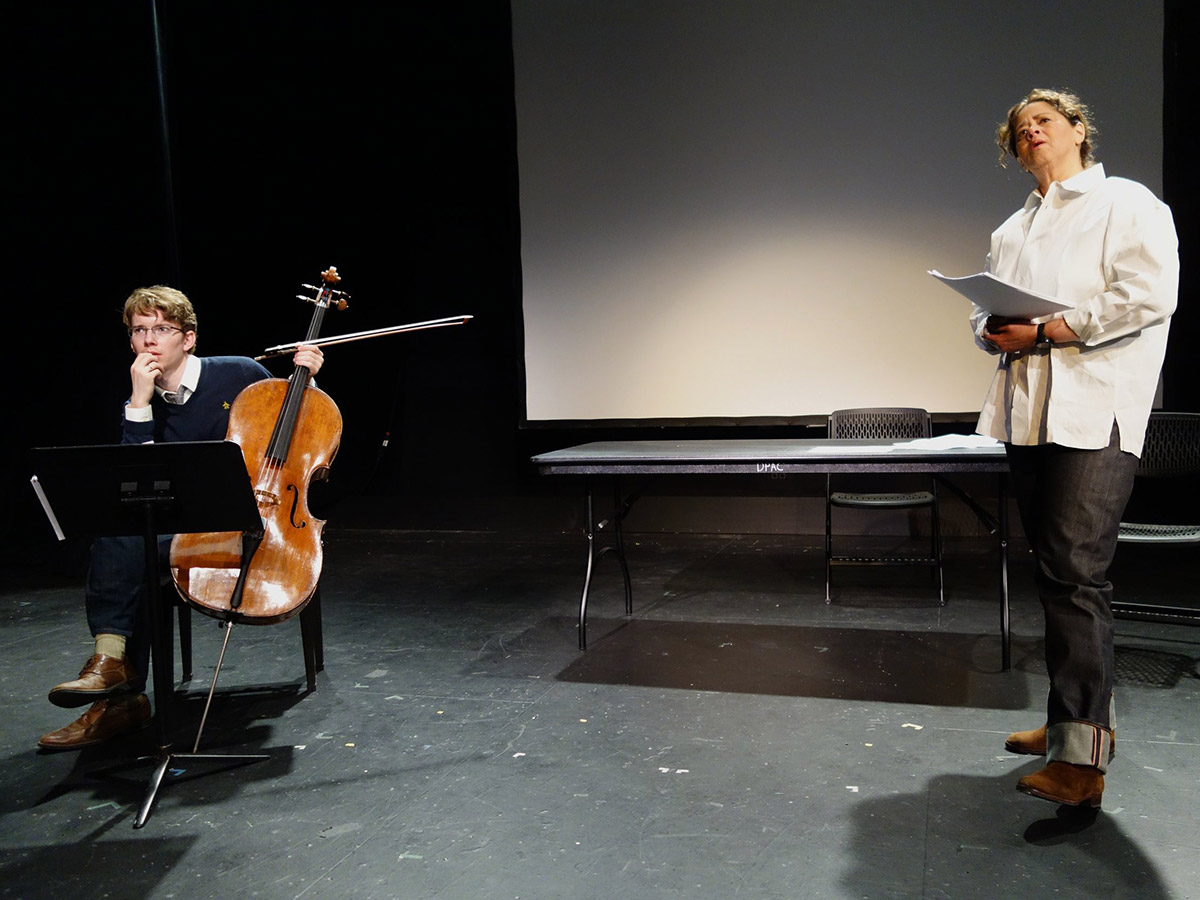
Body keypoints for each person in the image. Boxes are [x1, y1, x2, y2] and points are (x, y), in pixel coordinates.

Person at [971, 89, 1179, 806]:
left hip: (1095, 416)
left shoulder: (1126, 203)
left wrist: (1049, 330)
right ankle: (1074, 725)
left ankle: (1081, 766)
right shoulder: (1012, 227)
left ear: (1079, 131)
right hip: (1027, 419)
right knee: (1055, 575)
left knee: (1076, 579)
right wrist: (988, 327)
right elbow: (985, 310)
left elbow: (1148, 295)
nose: (1031, 129)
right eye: (1020, 126)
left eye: (1045, 120)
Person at [38, 285, 324, 750]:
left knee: (134, 545)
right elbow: (136, 479)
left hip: (250, 514)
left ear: (187, 338)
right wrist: (139, 403)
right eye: (138, 330)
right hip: (182, 522)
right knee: (127, 529)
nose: (149, 340)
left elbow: (304, 424)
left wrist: (306, 379)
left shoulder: (239, 373)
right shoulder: (137, 395)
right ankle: (114, 674)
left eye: (161, 329)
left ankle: (119, 689)